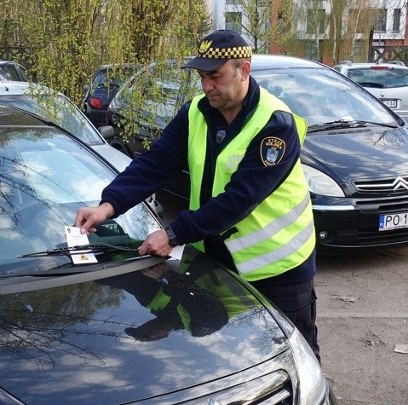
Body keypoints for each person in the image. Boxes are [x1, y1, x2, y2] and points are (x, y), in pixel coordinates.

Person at [75, 29, 320, 361]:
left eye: (215, 76)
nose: (207, 86)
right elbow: (155, 163)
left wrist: (173, 234)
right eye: (202, 77)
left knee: (295, 355)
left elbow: (240, 199)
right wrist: (109, 205)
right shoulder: (196, 113)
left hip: (279, 271)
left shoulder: (276, 125)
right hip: (218, 267)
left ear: (243, 70)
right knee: (234, 360)